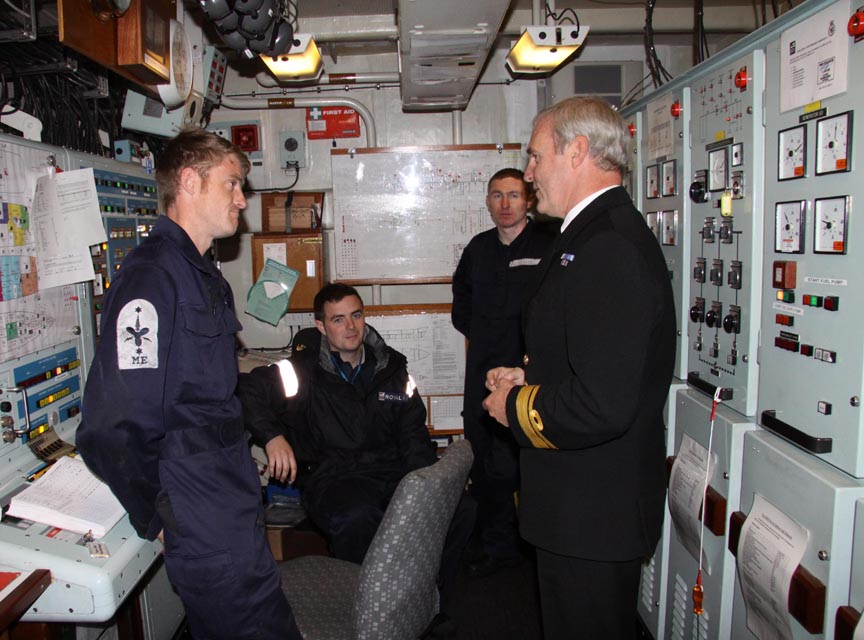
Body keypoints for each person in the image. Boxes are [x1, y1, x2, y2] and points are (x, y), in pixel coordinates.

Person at [76, 127, 302, 640]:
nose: (242, 200)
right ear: (189, 182)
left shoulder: (202, 276)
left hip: (229, 489)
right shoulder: (150, 278)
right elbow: (113, 423)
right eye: (232, 184)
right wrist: (156, 511)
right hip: (196, 499)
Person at [483, 97, 676, 640]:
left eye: (536, 156)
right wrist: (528, 377)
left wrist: (514, 406)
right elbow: (588, 355)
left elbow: (603, 402)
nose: (529, 172)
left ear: (578, 151)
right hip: (581, 506)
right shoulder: (587, 234)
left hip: (594, 514)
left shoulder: (609, 245)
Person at [240, 283, 475, 601]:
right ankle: (365, 607)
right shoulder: (301, 372)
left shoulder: (392, 369)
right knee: (358, 519)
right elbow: (248, 390)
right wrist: (273, 437)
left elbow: (413, 435)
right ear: (321, 326)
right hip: (335, 477)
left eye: (356, 315)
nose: (350, 327)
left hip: (393, 471)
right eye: (338, 319)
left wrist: (426, 483)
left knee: (459, 507)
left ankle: (426, 595)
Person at [451, 168, 558, 577]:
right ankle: (490, 546)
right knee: (482, 463)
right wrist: (484, 340)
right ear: (488, 202)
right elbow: (461, 304)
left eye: (513, 195)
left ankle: (522, 544)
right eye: (497, 196)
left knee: (520, 465)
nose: (505, 205)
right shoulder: (478, 248)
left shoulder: (549, 245)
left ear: (529, 200)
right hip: (482, 373)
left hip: (531, 376)